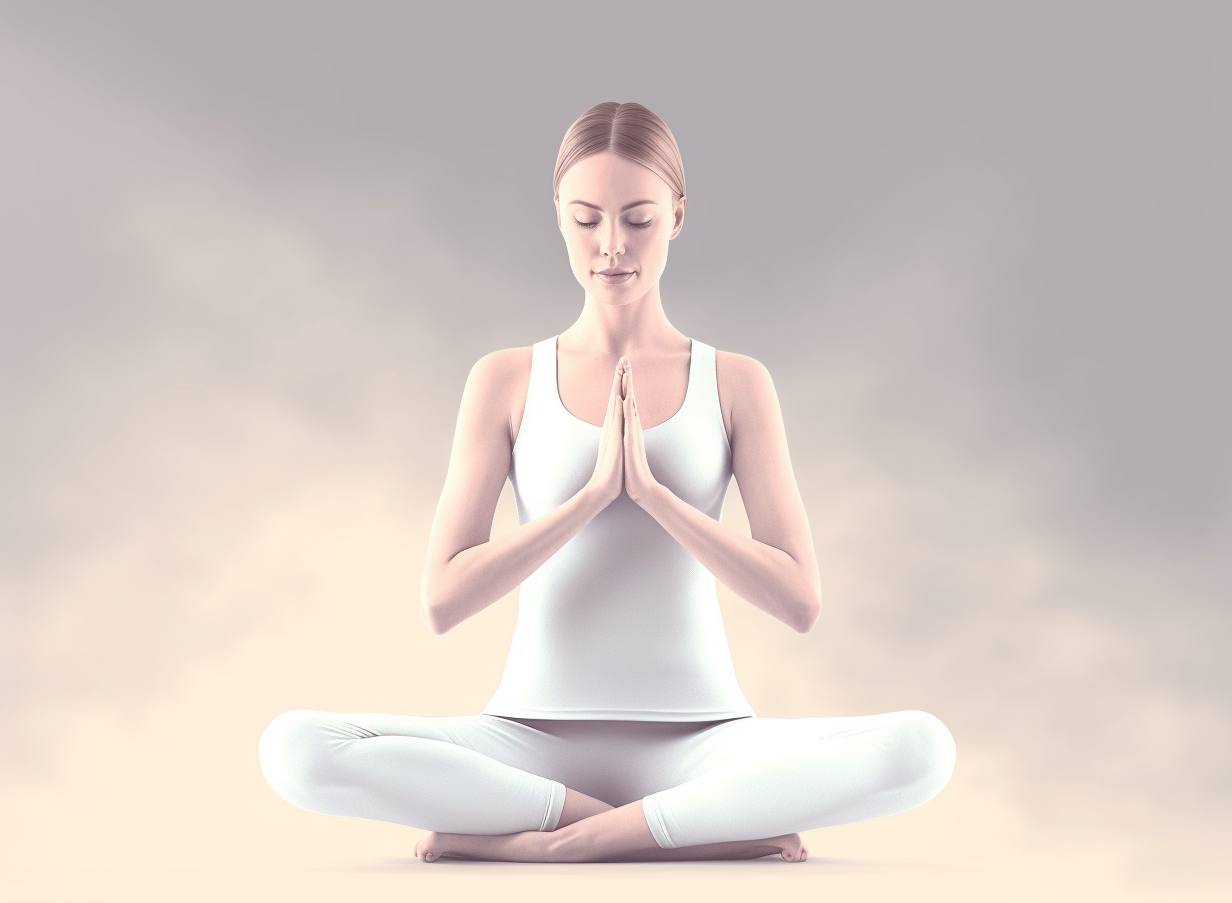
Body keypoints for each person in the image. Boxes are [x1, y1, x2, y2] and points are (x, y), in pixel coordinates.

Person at [258, 101, 956, 864]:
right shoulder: (505, 378)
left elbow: (799, 600)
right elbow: (442, 600)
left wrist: (657, 498)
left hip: (706, 742)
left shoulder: (735, 381)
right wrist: (588, 499)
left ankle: (556, 843)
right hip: (526, 742)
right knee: (296, 748)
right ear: (558, 215)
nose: (612, 245)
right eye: (587, 219)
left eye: (639, 219)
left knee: (921, 748)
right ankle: (682, 828)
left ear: (679, 217)